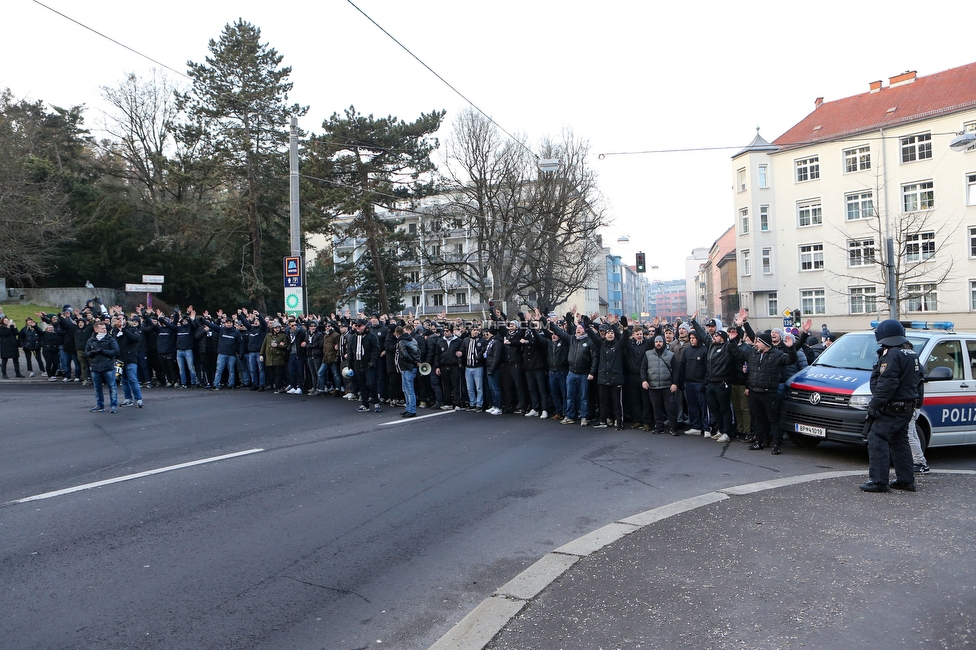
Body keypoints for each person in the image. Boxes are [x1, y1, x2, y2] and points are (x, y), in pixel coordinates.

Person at [859, 320, 924, 493]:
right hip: (907, 406)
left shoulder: (892, 354)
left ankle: (879, 481)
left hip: (892, 406)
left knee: (877, 437)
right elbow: (919, 379)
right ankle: (905, 480)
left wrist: (874, 406)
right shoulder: (911, 353)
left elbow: (887, 384)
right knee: (899, 440)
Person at [86, 320, 120, 413]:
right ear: (96, 330)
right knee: (97, 388)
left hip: (108, 366)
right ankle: (100, 405)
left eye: (105, 328)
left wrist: (103, 351)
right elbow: (87, 353)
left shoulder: (110, 339)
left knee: (112, 387)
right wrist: (93, 353)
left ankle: (113, 405)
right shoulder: (91, 340)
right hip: (96, 367)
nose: (104, 330)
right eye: (102, 329)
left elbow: (115, 351)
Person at [395, 324, 421, 417]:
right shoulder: (412, 339)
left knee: (408, 389)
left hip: (406, 367)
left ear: (397, 333)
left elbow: (404, 355)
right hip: (411, 367)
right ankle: (409, 408)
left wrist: (413, 361)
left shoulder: (401, 342)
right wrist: (416, 361)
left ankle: (411, 409)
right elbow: (417, 351)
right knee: (407, 389)